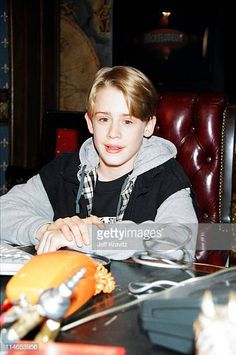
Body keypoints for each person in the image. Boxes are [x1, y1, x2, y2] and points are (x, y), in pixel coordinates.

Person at [0, 66, 198, 260]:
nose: (113, 133)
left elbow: (180, 240)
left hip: (138, 291)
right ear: (90, 122)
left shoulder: (166, 176)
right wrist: (45, 229)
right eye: (104, 119)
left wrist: (93, 237)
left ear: (148, 126)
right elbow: (5, 210)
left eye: (127, 121)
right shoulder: (65, 169)